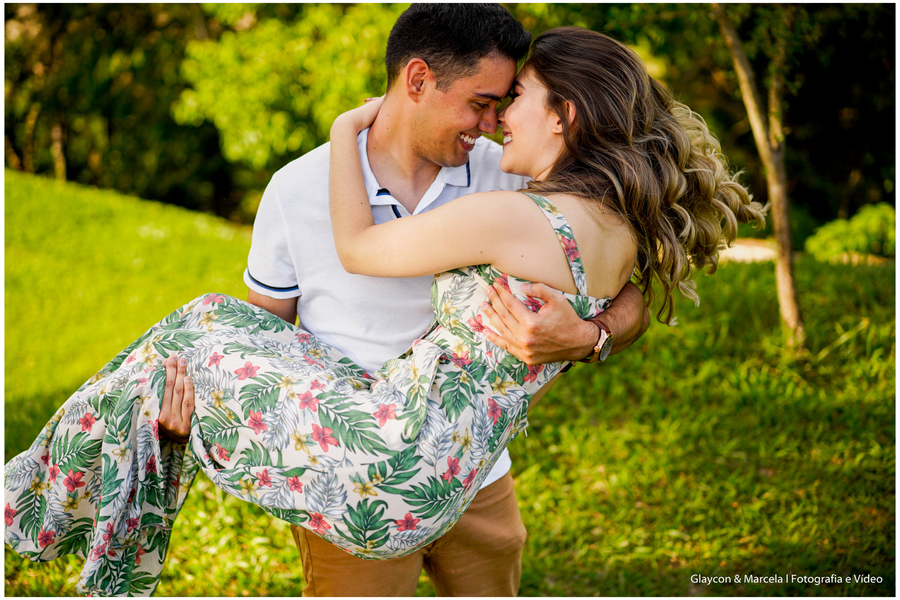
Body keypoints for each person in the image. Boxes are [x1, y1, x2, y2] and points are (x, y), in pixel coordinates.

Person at [4, 15, 767, 600]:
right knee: (193, 340)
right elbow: (265, 333)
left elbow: (363, 250)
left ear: (563, 115)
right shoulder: (300, 189)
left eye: (511, 103)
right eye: (482, 103)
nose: (495, 123)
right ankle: (66, 477)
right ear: (417, 79)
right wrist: (190, 407)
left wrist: (593, 334)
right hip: (357, 452)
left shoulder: (511, 191)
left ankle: (35, 497)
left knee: (194, 326)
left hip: (422, 465)